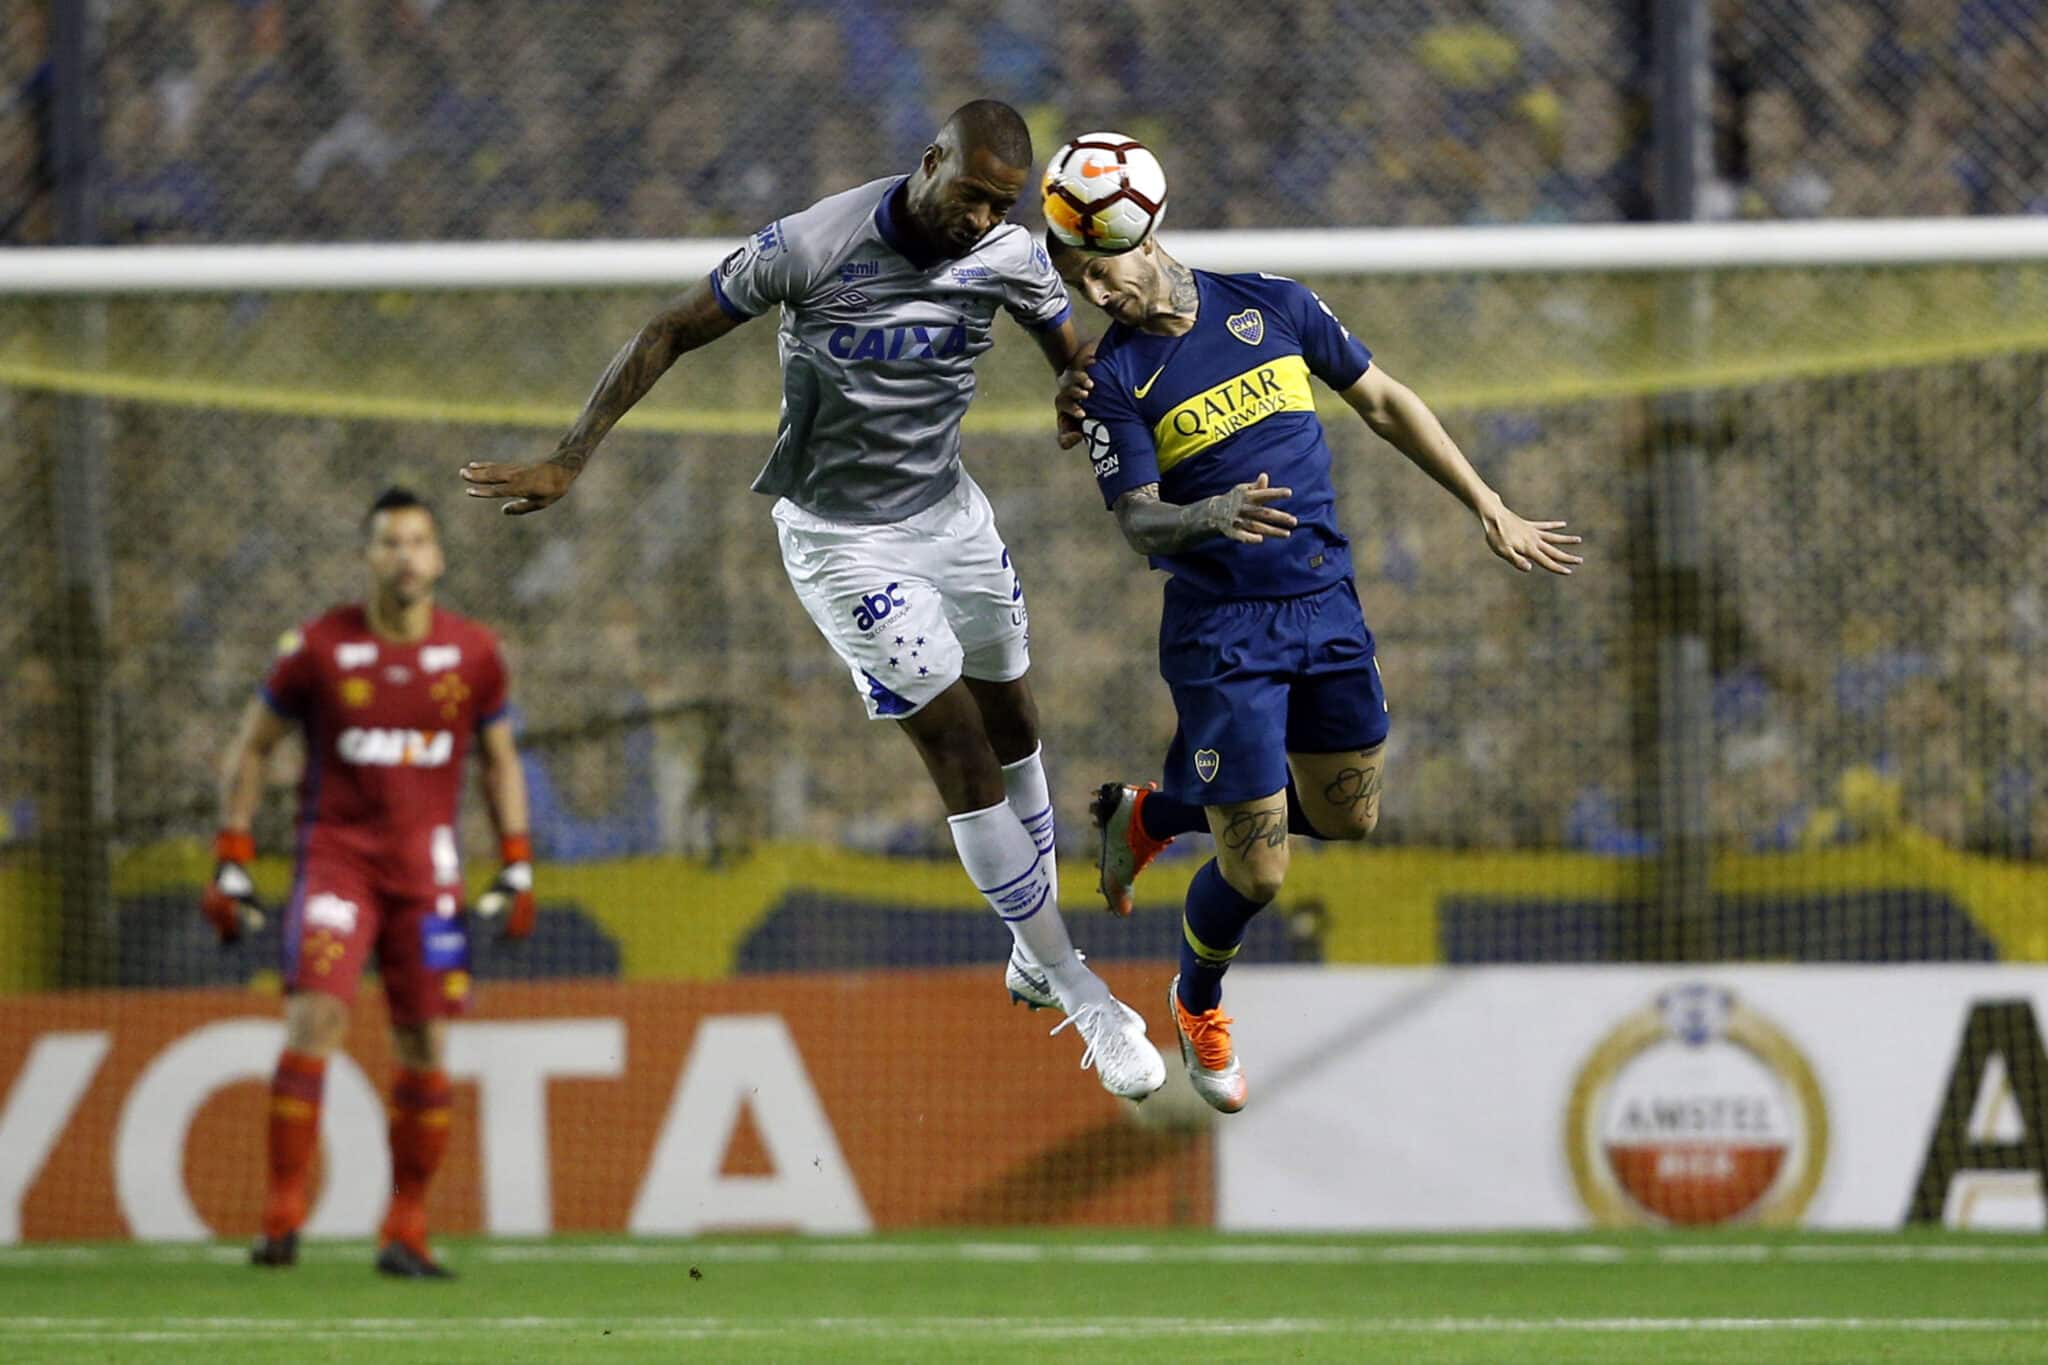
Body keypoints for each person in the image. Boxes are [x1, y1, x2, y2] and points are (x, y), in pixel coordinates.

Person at [458, 100, 1165, 1101]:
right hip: (843, 542)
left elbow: (1070, 354)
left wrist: (1076, 390)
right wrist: (571, 457)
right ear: (930, 161)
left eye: (999, 205)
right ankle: (1083, 993)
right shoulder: (813, 245)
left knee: (1013, 713)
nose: (979, 219)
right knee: (957, 745)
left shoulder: (1006, 255)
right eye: (969, 195)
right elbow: (671, 328)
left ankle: (1029, 943)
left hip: (950, 513)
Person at [1046, 179, 1581, 1113]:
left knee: (1349, 818)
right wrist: (1208, 513)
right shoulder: (1112, 381)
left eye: (1103, 269)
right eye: (1078, 283)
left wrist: (1488, 503)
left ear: (1148, 234)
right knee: (1259, 870)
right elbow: (1136, 519)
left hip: (1328, 605)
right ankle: (1196, 999)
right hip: (1224, 635)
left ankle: (1156, 814)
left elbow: (1384, 400)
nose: (1098, 294)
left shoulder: (1275, 305)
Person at [203, 487, 536, 1277]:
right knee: (316, 1016)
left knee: (425, 1043)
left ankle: (406, 1229)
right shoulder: (318, 647)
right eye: (390, 541)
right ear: (368, 555)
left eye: (418, 541)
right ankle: (282, 1214)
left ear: (439, 557)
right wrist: (232, 848)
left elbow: (499, 760)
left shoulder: (475, 653)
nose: (405, 556)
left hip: (429, 875)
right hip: (338, 862)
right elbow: (252, 745)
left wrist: (517, 859)